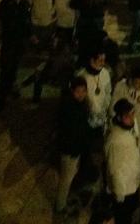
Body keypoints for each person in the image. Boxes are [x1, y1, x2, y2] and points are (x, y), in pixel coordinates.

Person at [0, 0, 33, 111]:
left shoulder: (24, 4)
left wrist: (31, 35)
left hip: (19, 42)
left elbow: (26, 22)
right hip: (9, 41)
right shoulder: (7, 3)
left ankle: (10, 88)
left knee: (14, 67)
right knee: (6, 68)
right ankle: (2, 95)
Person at [55, 76, 90, 215]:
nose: (81, 94)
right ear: (72, 91)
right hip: (70, 150)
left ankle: (62, 201)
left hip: (76, 149)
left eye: (83, 91)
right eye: (78, 91)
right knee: (66, 179)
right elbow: (69, 133)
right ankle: (60, 206)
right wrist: (75, 151)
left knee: (70, 175)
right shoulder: (69, 108)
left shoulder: (80, 104)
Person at [105, 98, 140, 224]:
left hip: (131, 183)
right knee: (123, 218)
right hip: (124, 190)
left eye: (133, 114)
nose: (132, 118)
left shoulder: (127, 129)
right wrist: (120, 195)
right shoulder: (116, 141)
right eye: (128, 116)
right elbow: (115, 170)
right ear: (120, 118)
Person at [111, 67, 140, 147]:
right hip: (122, 119)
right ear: (131, 80)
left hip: (138, 120)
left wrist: (135, 120)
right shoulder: (121, 86)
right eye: (137, 83)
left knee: (137, 143)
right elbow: (115, 102)